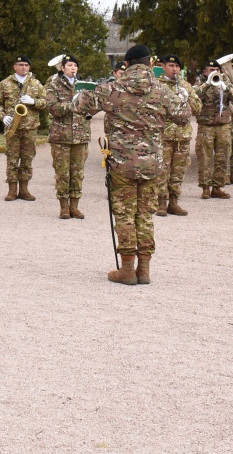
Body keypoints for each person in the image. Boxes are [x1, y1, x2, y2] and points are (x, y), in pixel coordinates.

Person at [74, 45, 189, 285]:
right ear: (150, 64)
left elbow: (80, 106)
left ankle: (127, 269)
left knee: (125, 213)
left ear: (126, 64)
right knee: (145, 214)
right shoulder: (161, 90)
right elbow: (183, 115)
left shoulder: (112, 88)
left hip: (122, 162)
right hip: (152, 163)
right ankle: (144, 270)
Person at [45, 54, 91, 219]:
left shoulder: (84, 86)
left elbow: (93, 108)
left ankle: (75, 206)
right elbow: (52, 108)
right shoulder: (53, 85)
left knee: (77, 173)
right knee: (63, 173)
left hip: (80, 136)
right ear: (63, 68)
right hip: (61, 136)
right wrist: (71, 105)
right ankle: (63, 207)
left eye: (75, 66)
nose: (73, 68)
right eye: (70, 65)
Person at [155, 55, 201, 216]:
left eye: (177, 66)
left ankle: (173, 202)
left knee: (178, 170)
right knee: (162, 170)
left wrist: (187, 98)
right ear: (163, 67)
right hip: (163, 135)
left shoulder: (186, 86)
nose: (174, 69)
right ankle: (161, 202)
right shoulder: (157, 85)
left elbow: (198, 108)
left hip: (182, 136)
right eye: (171, 65)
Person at [0, 55, 46, 202]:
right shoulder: (5, 83)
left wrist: (34, 102)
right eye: (20, 65)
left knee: (27, 159)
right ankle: (12, 190)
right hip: (13, 127)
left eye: (26, 65)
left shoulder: (36, 84)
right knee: (12, 159)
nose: (23, 67)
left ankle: (24, 189)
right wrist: (3, 116)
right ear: (15, 66)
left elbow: (46, 102)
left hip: (30, 127)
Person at [194, 59, 233, 199]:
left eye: (217, 70)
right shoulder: (199, 83)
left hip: (224, 125)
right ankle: (205, 188)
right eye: (210, 70)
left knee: (223, 157)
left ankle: (217, 187)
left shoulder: (225, 83)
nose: (214, 72)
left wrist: (227, 88)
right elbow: (193, 96)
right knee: (204, 158)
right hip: (206, 125)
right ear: (205, 71)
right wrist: (207, 83)